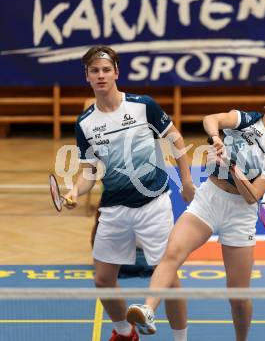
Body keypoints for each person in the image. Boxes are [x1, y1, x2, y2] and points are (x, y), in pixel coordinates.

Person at [126, 59, 265, 340]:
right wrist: (216, 138)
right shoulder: (246, 120)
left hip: (240, 215)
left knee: (237, 295)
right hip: (209, 200)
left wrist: (234, 169)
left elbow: (253, 197)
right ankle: (148, 309)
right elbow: (211, 119)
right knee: (172, 254)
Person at [64, 45, 195, 341]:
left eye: (106, 70)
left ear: (116, 73)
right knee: (102, 279)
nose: (101, 76)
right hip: (114, 208)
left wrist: (186, 182)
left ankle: (181, 339)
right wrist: (74, 190)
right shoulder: (85, 123)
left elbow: (176, 140)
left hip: (153, 204)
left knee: (169, 279)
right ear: (87, 76)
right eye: (94, 71)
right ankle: (124, 332)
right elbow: (88, 172)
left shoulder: (142, 105)